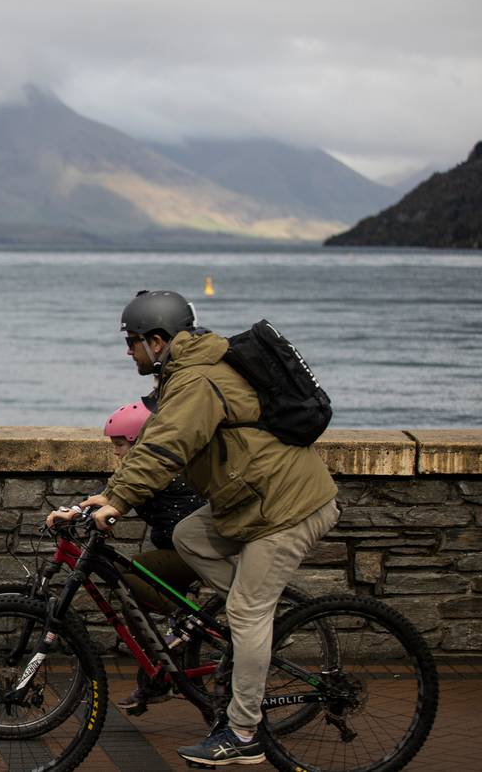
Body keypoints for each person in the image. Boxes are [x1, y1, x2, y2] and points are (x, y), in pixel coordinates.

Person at [52, 290, 339, 766]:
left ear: (158, 341)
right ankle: (248, 619)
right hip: (250, 503)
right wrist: (108, 494)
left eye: (133, 341)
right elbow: (152, 445)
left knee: (248, 612)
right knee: (189, 535)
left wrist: (117, 502)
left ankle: (243, 734)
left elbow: (167, 449)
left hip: (287, 507)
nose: (128, 351)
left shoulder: (198, 380)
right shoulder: (184, 375)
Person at [97, 400, 207, 714]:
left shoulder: (156, 469)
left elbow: (126, 497)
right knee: (131, 603)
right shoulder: (137, 468)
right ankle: (156, 681)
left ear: (137, 440)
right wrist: (76, 511)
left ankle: (186, 622)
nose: (115, 452)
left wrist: (107, 513)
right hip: (178, 551)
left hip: (194, 552)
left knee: (132, 575)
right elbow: (111, 493)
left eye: (119, 444)